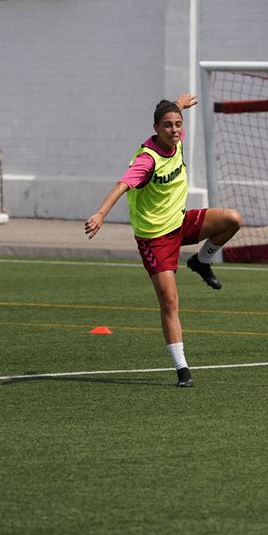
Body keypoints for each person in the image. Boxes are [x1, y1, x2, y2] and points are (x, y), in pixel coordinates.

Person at [84, 93, 242, 388]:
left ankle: (201, 260)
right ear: (156, 128)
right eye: (167, 125)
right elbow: (121, 185)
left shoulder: (176, 140)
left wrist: (179, 105)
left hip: (180, 222)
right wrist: (101, 213)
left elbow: (173, 113)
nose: (174, 129)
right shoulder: (147, 160)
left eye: (178, 124)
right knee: (170, 302)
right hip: (155, 238)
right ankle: (182, 369)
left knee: (232, 219)